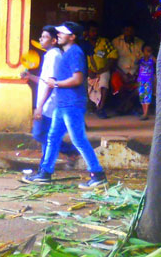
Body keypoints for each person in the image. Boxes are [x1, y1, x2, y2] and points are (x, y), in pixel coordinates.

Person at [25, 22, 108, 188]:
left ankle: (97, 175)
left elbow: (77, 79)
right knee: (52, 138)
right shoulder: (66, 53)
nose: (59, 35)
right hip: (63, 104)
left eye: (63, 33)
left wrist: (56, 84)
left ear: (73, 37)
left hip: (72, 104)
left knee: (78, 140)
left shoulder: (75, 53)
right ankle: (45, 173)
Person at [19, 25, 77, 179]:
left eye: (44, 37)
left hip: (50, 105)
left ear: (53, 40)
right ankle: (44, 171)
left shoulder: (54, 56)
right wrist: (30, 76)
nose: (40, 39)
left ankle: (69, 151)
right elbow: (45, 81)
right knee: (46, 137)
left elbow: (51, 84)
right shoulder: (50, 55)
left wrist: (39, 107)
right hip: (48, 104)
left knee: (40, 134)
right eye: (41, 36)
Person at [83, 22, 117, 118]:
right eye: (92, 31)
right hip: (88, 71)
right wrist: (88, 71)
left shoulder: (104, 42)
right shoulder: (84, 44)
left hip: (103, 70)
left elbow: (113, 56)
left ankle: (100, 108)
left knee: (104, 81)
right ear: (88, 32)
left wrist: (104, 69)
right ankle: (91, 106)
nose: (94, 33)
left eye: (96, 31)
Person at [137, 43, 156, 121]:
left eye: (149, 50)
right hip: (141, 79)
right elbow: (135, 62)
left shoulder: (152, 59)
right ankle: (144, 112)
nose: (148, 52)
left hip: (148, 80)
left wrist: (151, 56)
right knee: (142, 95)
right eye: (146, 50)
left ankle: (146, 113)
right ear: (143, 51)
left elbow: (157, 62)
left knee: (147, 95)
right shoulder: (141, 59)